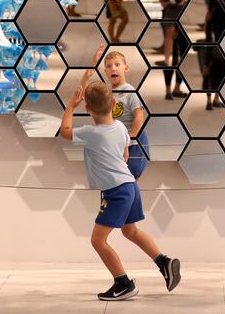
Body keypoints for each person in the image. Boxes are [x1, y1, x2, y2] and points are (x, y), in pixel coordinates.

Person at [59, 81, 181, 301]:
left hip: (116, 191)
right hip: (130, 185)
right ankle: (164, 263)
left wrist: (70, 106)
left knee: (98, 241)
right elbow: (125, 156)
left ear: (87, 109)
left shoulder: (91, 133)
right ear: (113, 103)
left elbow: (65, 132)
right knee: (130, 231)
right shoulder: (121, 129)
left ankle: (123, 283)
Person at [80, 45, 149, 179]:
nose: (113, 68)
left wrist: (128, 140)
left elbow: (139, 117)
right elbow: (83, 94)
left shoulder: (130, 92)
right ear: (105, 72)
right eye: (109, 66)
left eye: (117, 64)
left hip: (133, 145)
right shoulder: (106, 92)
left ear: (126, 68)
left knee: (130, 180)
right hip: (115, 144)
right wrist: (89, 72)